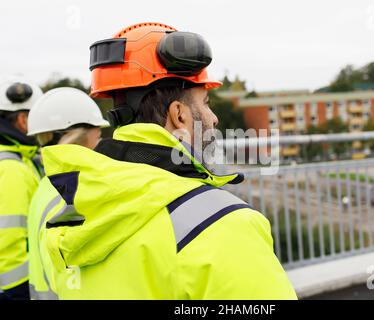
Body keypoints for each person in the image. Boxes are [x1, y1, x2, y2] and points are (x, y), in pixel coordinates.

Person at [40, 22, 297, 299]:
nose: (213, 118)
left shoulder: (71, 213)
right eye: (206, 103)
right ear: (179, 115)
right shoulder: (223, 223)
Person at [26, 87, 109, 300]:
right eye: (97, 136)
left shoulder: (47, 185)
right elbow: (76, 276)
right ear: (78, 137)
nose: (100, 144)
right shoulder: (71, 192)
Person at [0, 81, 43, 300]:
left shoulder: (17, 161)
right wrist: (18, 290)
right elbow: (8, 234)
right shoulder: (11, 168)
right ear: (23, 120)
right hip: (15, 287)